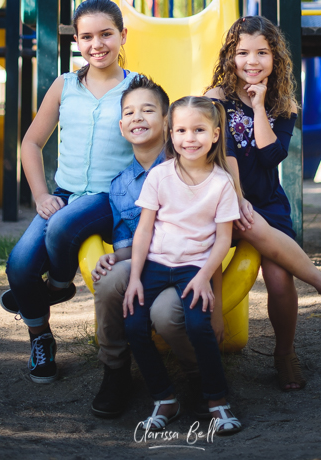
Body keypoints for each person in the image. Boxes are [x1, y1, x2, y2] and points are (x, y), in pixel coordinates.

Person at [206, 16, 321, 393]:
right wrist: (236, 198)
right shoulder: (216, 99)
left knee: (279, 279)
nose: (252, 61)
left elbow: (271, 156)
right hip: (226, 197)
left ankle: (284, 353)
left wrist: (260, 106)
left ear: (275, 57)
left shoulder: (283, 104)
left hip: (268, 200)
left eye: (262, 52)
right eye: (242, 52)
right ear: (230, 57)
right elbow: (218, 155)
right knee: (244, 220)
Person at [0, 0, 137, 384]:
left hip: (113, 196)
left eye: (106, 34)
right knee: (20, 266)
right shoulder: (65, 85)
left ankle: (58, 285)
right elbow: (30, 143)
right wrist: (42, 195)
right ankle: (40, 337)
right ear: (76, 40)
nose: (98, 44)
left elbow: (156, 145)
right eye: (88, 36)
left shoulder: (138, 86)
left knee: (62, 227)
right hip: (66, 191)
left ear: (122, 35)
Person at [90, 75, 223, 420]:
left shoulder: (191, 163)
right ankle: (115, 369)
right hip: (143, 263)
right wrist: (113, 256)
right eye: (130, 112)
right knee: (107, 281)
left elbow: (213, 233)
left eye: (147, 110)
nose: (138, 117)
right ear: (121, 126)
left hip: (184, 265)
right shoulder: (120, 186)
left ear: (167, 123)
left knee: (165, 314)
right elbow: (128, 239)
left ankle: (197, 375)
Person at [123, 96, 243, 437]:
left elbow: (223, 239)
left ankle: (217, 402)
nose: (190, 138)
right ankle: (164, 399)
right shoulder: (160, 176)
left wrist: (205, 276)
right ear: (170, 134)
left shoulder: (221, 183)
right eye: (181, 130)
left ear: (216, 135)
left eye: (199, 130)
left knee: (198, 326)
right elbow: (144, 228)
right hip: (155, 265)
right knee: (133, 326)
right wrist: (134, 277)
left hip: (194, 267)